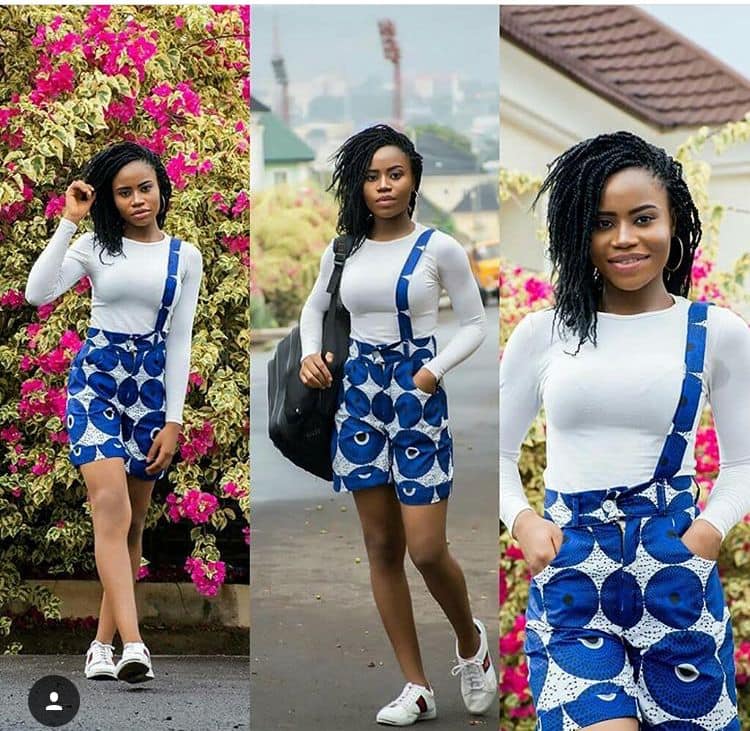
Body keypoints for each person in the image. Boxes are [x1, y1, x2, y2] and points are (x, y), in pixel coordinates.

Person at [499, 131, 750, 730]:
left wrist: (706, 537)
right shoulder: (543, 333)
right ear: (578, 233)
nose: (625, 239)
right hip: (573, 579)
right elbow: (496, 454)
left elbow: (742, 465)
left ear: (674, 222)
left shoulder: (716, 331)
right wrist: (523, 519)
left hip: (676, 577)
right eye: (603, 222)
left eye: (643, 218)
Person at [298, 124, 496, 725]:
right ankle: (415, 686)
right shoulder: (344, 250)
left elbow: (474, 324)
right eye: (371, 176)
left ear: (412, 180)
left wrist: (432, 372)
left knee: (427, 549)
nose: (383, 187)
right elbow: (316, 308)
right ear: (357, 185)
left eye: (394, 174)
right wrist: (311, 352)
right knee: (382, 547)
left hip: (416, 396)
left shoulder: (441, 248)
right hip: (358, 396)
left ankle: (471, 644)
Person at [25, 141, 203, 683]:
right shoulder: (96, 247)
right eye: (124, 193)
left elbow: (180, 342)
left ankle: (101, 645)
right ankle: (135, 645)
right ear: (111, 200)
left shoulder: (184, 256)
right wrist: (68, 221)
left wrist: (174, 419)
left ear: (161, 188)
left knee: (133, 524)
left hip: (151, 393)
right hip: (97, 383)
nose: (136, 199)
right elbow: (37, 293)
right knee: (110, 506)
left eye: (144, 187)